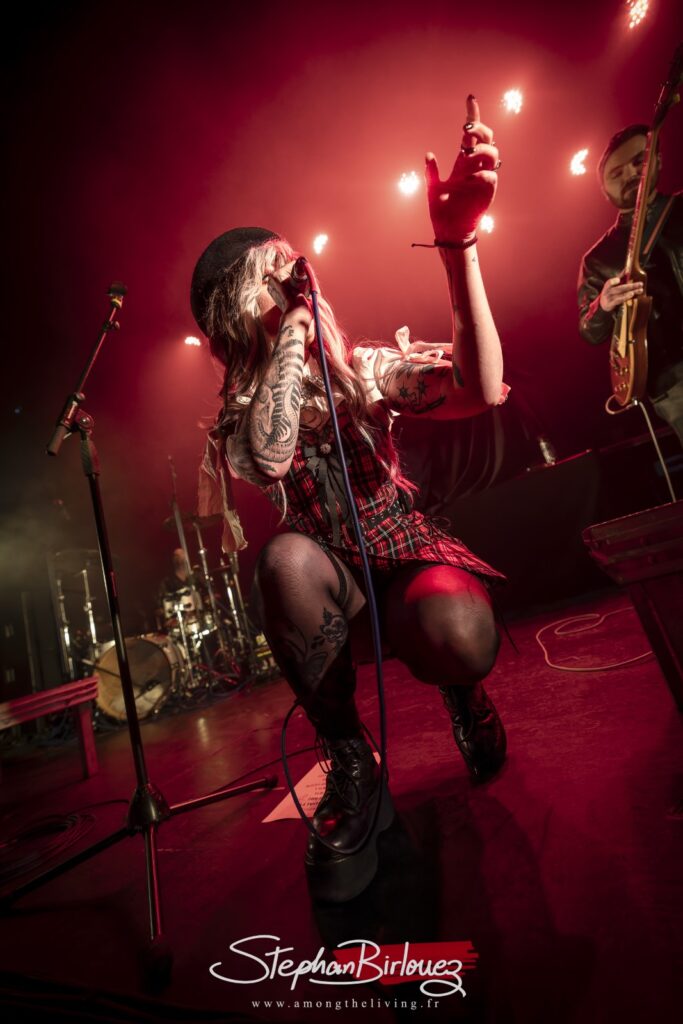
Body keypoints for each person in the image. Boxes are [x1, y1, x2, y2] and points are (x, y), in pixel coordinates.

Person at [193, 97, 508, 900]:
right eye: (273, 273)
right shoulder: (236, 419)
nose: (298, 277)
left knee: (460, 635)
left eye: (295, 268)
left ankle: (463, 694)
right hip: (330, 586)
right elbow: (269, 454)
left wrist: (458, 246)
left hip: (400, 559)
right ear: (238, 308)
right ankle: (349, 757)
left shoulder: (362, 370)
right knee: (283, 561)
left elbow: (481, 389)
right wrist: (295, 331)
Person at [577, 123, 683, 443]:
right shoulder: (597, 258)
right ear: (604, 190)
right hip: (672, 379)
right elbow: (588, 329)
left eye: (639, 161)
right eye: (616, 172)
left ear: (658, 160)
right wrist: (603, 304)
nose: (630, 174)